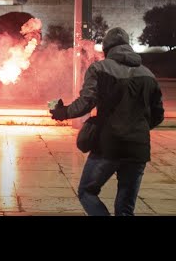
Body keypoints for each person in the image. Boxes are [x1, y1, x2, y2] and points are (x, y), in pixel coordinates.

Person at [50, 27, 165, 216]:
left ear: (106, 49)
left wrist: (63, 112)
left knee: (87, 191)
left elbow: (87, 102)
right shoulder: (148, 75)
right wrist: (137, 127)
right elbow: (158, 114)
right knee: (126, 209)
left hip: (109, 145)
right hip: (138, 148)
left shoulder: (99, 69)